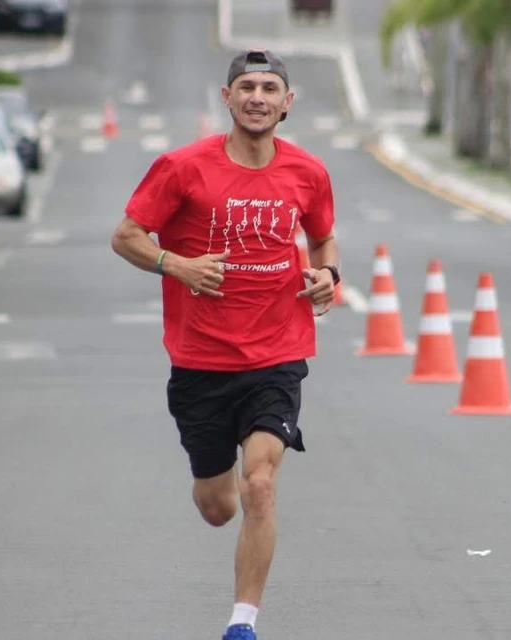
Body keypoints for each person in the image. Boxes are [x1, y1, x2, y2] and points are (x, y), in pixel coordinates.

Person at [110, 49, 340, 640]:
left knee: (260, 480)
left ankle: (243, 622)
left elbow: (323, 237)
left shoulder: (307, 172)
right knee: (218, 506)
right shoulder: (183, 167)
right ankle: (217, 489)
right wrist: (176, 265)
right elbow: (126, 235)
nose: (258, 97)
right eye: (247, 87)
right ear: (228, 97)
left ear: (287, 102)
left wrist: (327, 276)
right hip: (201, 360)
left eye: (269, 88)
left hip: (278, 353)